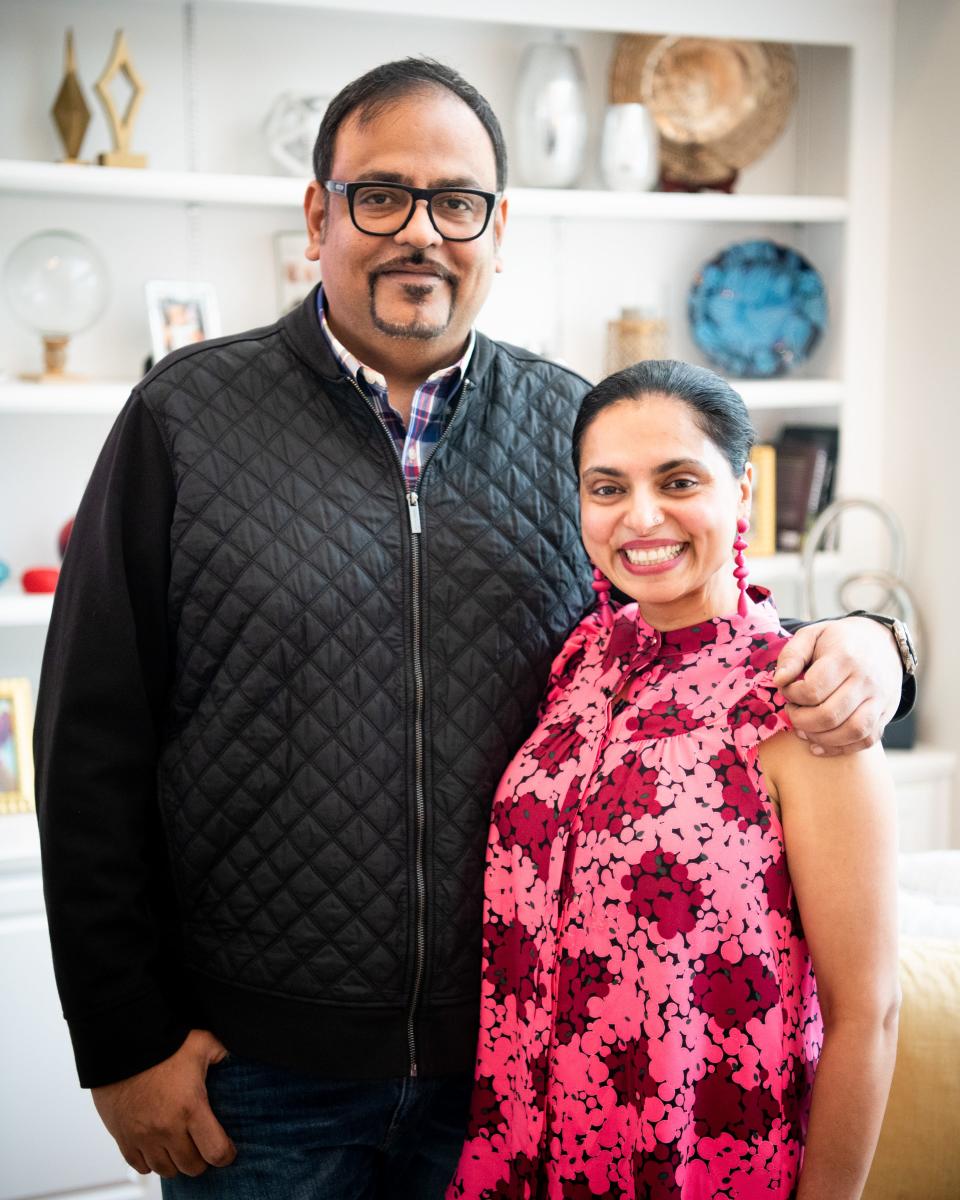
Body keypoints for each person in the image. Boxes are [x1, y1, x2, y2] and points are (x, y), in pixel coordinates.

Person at [34, 59, 909, 1200]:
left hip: (518, 1079)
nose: (421, 234)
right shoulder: (184, 417)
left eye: (458, 204)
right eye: (382, 196)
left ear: (499, 232)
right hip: (258, 1081)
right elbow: (88, 746)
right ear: (319, 215)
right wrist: (122, 1039)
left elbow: (690, 612)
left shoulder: (572, 429)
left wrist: (869, 642)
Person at [448, 361, 900, 1200]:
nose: (641, 516)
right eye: (607, 487)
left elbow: (867, 1015)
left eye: (679, 479)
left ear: (744, 491)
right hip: (520, 1153)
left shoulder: (803, 702)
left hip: (696, 1162)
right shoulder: (580, 664)